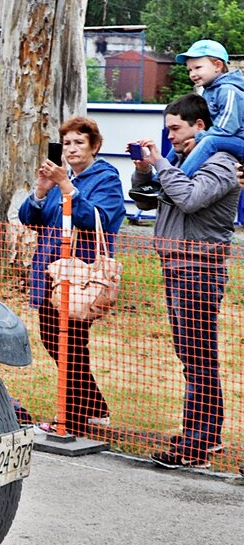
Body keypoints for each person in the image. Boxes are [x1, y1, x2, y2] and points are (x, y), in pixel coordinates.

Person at [129, 94, 239, 468]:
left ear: (201, 126)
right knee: (191, 356)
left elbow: (190, 199)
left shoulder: (222, 164)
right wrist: (145, 170)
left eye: (176, 128)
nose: (170, 137)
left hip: (199, 269)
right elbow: (146, 203)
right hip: (177, 267)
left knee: (198, 357)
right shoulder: (179, 162)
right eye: (167, 129)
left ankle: (198, 441)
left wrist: (161, 164)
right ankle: (204, 434)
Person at [17, 116, 125, 431]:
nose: (72, 149)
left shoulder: (106, 178)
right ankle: (93, 407)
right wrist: (41, 190)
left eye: (79, 142)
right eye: (67, 143)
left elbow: (100, 219)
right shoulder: (60, 178)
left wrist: (66, 187)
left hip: (80, 277)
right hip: (49, 272)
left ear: (94, 146)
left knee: (71, 343)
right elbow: (29, 219)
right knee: (54, 340)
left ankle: (73, 417)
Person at [132, 40, 244, 203]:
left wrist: (198, 139)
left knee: (209, 142)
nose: (192, 74)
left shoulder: (228, 90)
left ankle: (177, 181)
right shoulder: (209, 91)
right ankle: (156, 182)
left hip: (238, 141)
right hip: (223, 138)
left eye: (198, 68)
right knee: (182, 142)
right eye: (190, 69)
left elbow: (226, 128)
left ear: (218, 65)